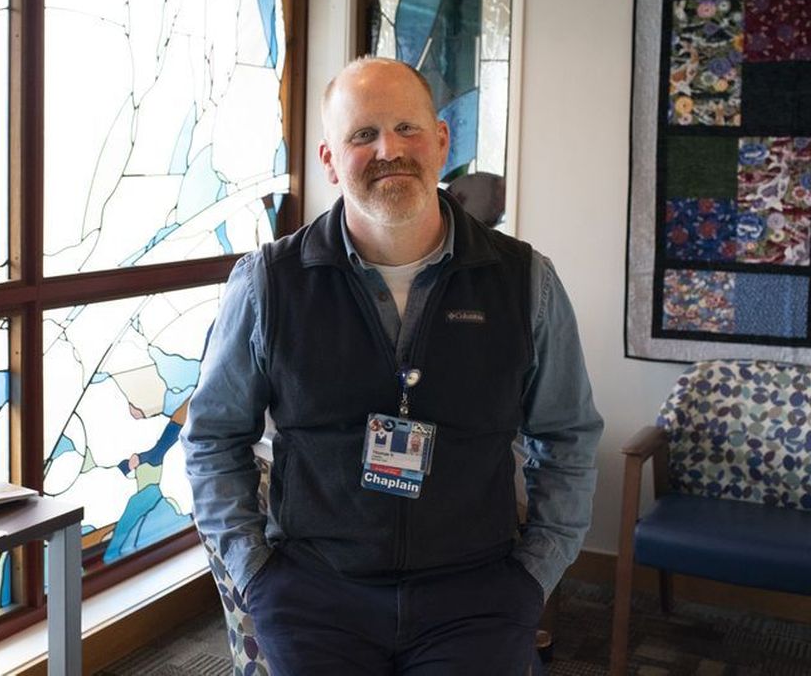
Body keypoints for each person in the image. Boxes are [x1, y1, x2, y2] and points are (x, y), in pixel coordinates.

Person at [181, 57, 603, 675]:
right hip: (315, 596)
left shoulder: (526, 281)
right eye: (362, 135)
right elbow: (213, 438)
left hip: (477, 595)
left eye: (407, 128)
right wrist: (256, 575)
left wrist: (534, 575)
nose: (389, 150)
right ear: (328, 159)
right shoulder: (268, 283)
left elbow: (566, 438)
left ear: (441, 140)